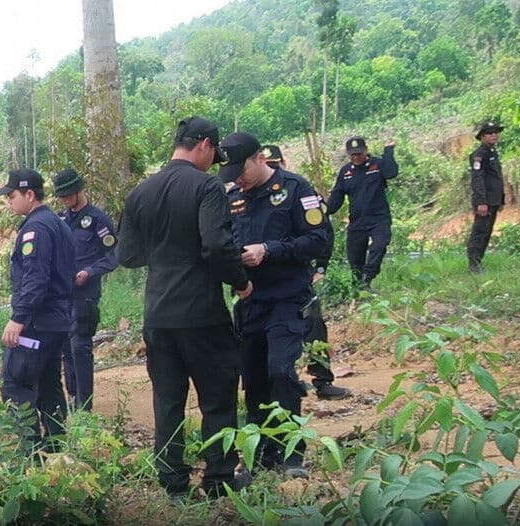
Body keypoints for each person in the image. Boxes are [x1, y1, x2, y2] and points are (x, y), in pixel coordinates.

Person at [117, 116, 253, 500]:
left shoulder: (141, 192)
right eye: (214, 155)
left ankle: (173, 484)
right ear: (205, 145)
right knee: (217, 399)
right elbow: (215, 246)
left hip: (158, 313)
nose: (214, 164)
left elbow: (126, 254)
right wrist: (241, 281)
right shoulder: (207, 186)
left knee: (168, 399)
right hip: (201, 313)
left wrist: (164, 255)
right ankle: (219, 479)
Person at [220, 133, 329, 478]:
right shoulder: (235, 198)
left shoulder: (297, 190)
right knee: (252, 380)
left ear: (260, 159)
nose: (238, 178)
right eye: (232, 172)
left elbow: (319, 239)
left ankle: (293, 453)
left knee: (280, 370)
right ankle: (261, 453)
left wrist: (268, 250)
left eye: (242, 170)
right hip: (250, 302)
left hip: (286, 298)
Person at [0, 168, 75, 453]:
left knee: (16, 384)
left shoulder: (35, 228)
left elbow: (36, 278)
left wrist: (18, 318)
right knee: (49, 383)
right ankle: (57, 450)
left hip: (38, 321)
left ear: (30, 194)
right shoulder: (58, 223)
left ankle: (30, 453)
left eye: (12, 196)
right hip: (56, 321)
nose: (9, 202)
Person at [263, 145, 350, 401]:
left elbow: (323, 233)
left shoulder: (298, 190)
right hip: (264, 284)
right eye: (269, 164)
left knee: (313, 326)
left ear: (284, 163)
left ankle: (322, 381)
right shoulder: (249, 196)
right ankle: (288, 384)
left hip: (297, 277)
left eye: (276, 164)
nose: (273, 169)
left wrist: (320, 267)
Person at [52, 168, 117, 410]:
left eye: (69, 195)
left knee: (80, 346)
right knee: (66, 347)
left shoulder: (98, 220)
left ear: (80, 190)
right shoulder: (60, 220)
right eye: (62, 197)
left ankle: (85, 404)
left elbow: (113, 255)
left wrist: (89, 271)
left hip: (85, 294)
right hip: (63, 295)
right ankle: (72, 397)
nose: (66, 200)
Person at [327, 136, 398, 291]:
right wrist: (323, 211)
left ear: (366, 150)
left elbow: (392, 173)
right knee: (355, 257)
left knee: (379, 246)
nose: (356, 157)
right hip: (357, 221)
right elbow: (337, 197)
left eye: (359, 153)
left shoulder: (377, 165)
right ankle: (358, 287)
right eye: (352, 154)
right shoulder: (346, 171)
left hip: (379, 219)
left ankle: (368, 277)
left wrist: (389, 151)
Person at [467, 121, 505, 274]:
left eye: (496, 132)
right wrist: (482, 202)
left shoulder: (492, 152)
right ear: (482, 137)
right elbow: (478, 179)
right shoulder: (479, 155)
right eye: (490, 133)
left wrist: (501, 199)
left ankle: (478, 262)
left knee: (487, 232)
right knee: (480, 232)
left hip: (493, 199)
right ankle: (473, 264)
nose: (494, 135)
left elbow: (497, 178)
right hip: (484, 200)